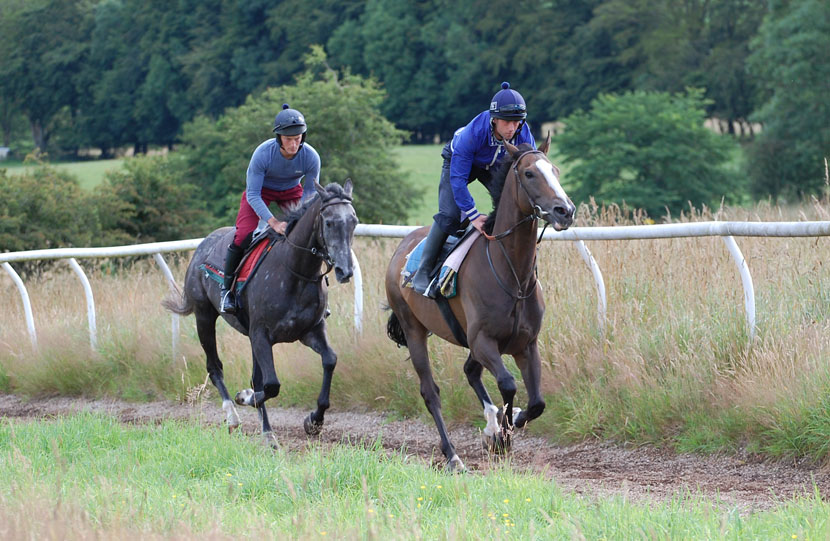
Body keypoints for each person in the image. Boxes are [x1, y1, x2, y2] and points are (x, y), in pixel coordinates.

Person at [410, 81, 537, 296]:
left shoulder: (523, 134)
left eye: (517, 122)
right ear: (494, 119)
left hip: (493, 165)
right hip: (461, 163)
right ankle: (422, 270)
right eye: (507, 122)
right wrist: (473, 215)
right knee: (451, 214)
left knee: (513, 207)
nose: (512, 128)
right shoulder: (472, 134)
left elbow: (531, 167)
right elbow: (458, 181)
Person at [220, 103, 321, 314]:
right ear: (279, 138)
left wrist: (301, 223)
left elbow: (309, 196)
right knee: (244, 235)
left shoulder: (312, 157)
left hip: (291, 191)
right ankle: (226, 290)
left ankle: (313, 290)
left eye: (298, 138)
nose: (294, 144)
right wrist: (273, 222)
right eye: (289, 139)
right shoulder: (262, 154)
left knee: (308, 233)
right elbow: (253, 194)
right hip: (260, 192)